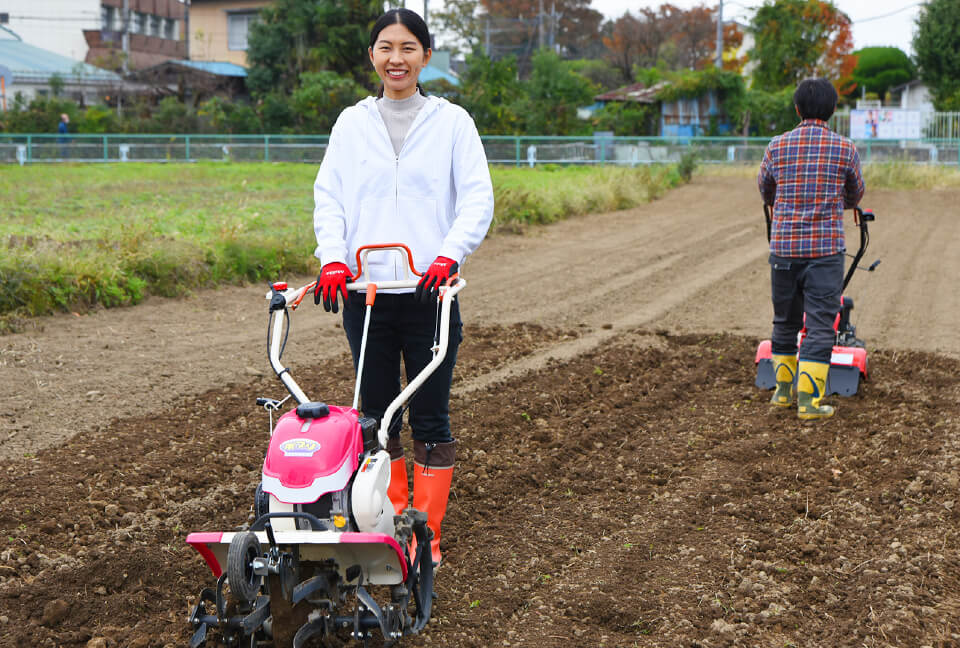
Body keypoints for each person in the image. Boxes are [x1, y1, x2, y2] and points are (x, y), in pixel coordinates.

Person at [311, 8, 494, 565]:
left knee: (430, 417)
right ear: (372, 56)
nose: (397, 58)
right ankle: (389, 528)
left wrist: (447, 255)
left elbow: (477, 198)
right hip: (364, 296)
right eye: (386, 47)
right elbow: (330, 199)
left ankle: (427, 536)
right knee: (377, 413)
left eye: (408, 47)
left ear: (426, 56)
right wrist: (333, 260)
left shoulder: (453, 122)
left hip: (429, 296)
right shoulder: (351, 123)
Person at [758, 78, 865, 421]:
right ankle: (809, 402)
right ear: (833, 110)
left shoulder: (777, 146)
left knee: (784, 320)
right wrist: (839, 200)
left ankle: (782, 392)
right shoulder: (845, 148)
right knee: (820, 324)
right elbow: (856, 192)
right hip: (825, 250)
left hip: (785, 247)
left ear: (797, 109)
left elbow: (765, 189)